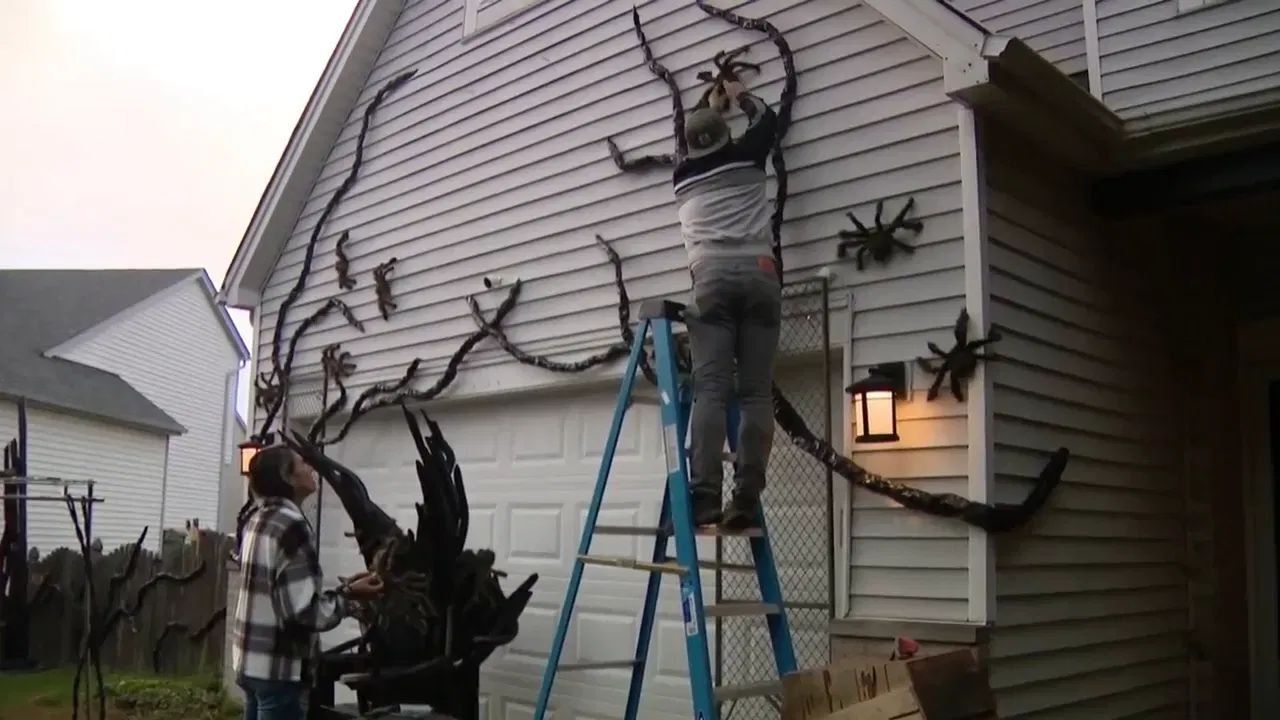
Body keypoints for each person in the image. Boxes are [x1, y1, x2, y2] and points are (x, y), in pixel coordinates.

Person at [673, 78, 781, 532]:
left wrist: (705, 107)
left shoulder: (683, 177)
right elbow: (766, 120)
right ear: (724, 134)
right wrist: (736, 94)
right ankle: (747, 496)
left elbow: (692, 140)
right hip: (759, 274)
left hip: (711, 280)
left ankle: (705, 499)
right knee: (755, 391)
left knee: (711, 390)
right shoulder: (748, 156)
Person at [230, 445, 385, 720]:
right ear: (287, 477)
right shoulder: (292, 526)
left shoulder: (257, 520)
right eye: (303, 464)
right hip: (279, 670)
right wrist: (349, 597)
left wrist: (343, 591)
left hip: (250, 663)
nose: (311, 468)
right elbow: (304, 613)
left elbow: (280, 595)